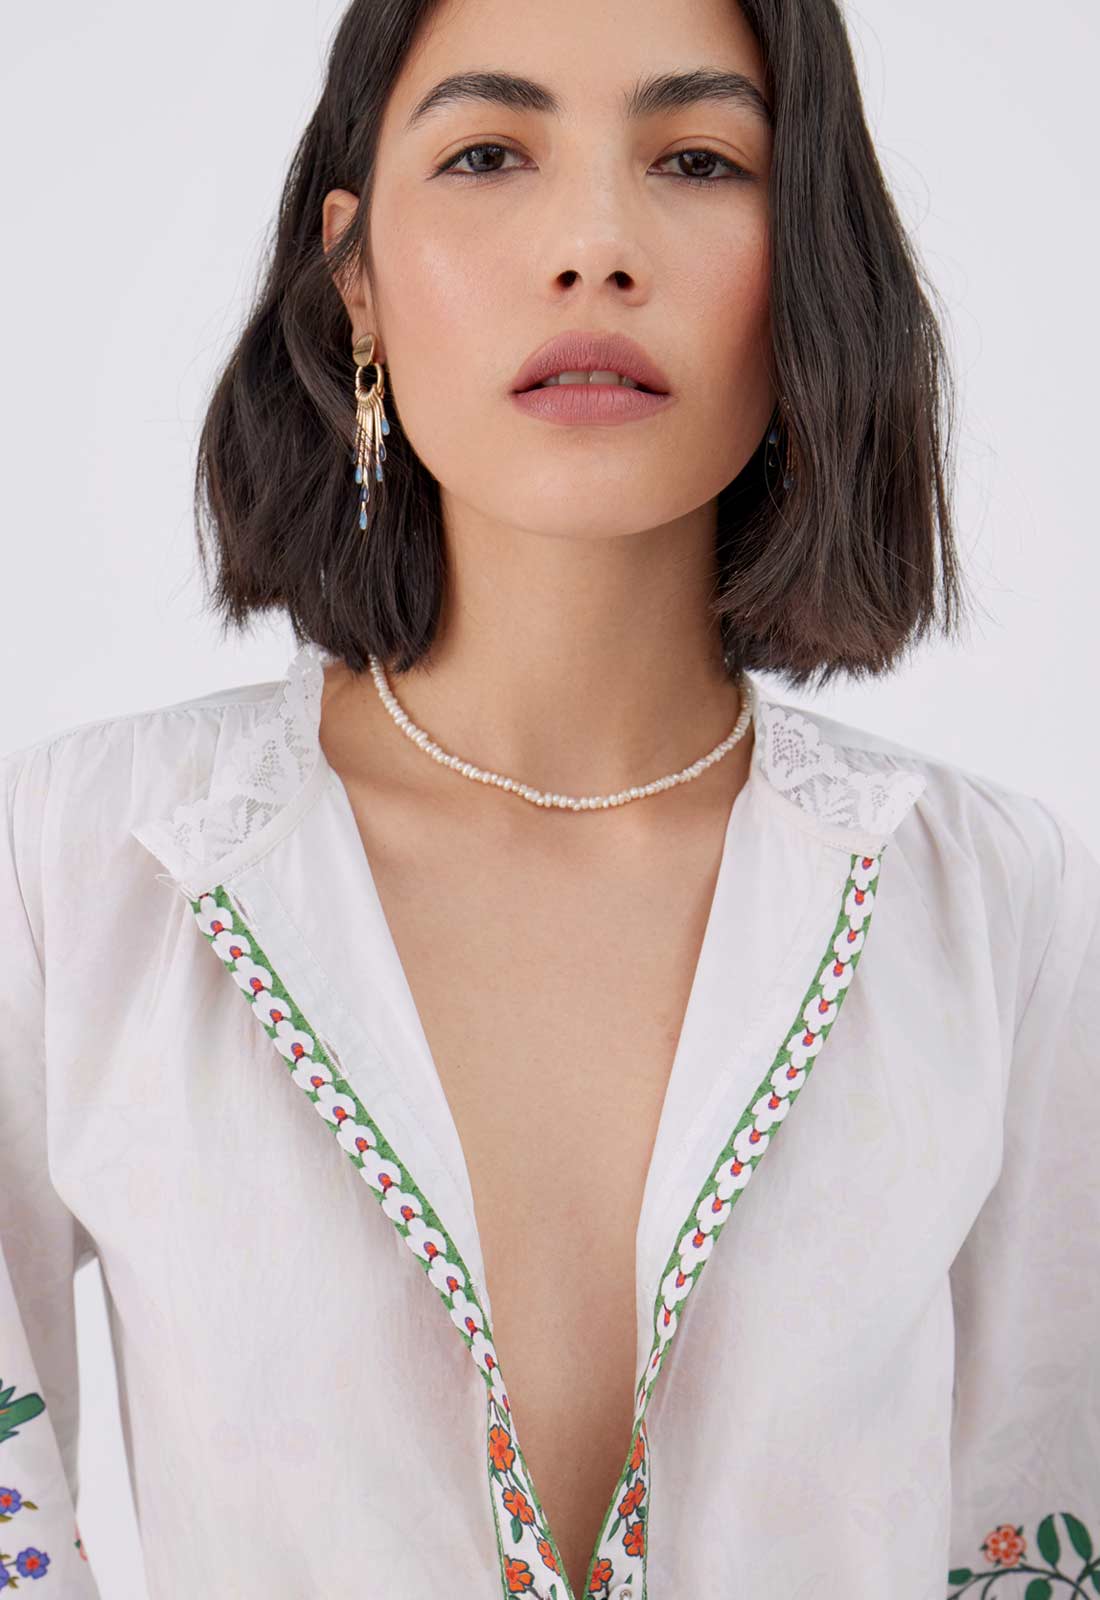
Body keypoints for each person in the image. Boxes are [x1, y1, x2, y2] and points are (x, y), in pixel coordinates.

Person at [2, 0, 1097, 1595]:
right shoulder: (83, 868)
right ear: (354, 270)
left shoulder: (986, 900)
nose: (595, 244)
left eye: (700, 159)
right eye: (492, 152)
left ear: (809, 268)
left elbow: (1040, 1519)